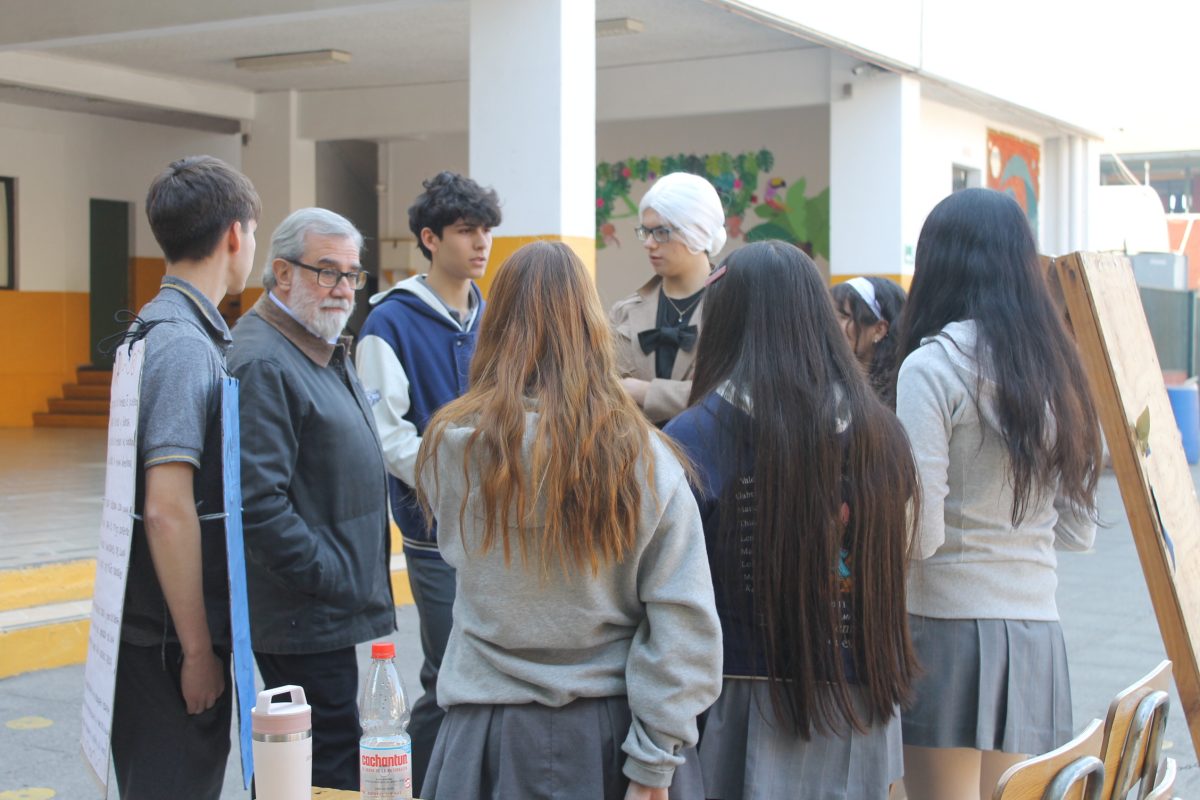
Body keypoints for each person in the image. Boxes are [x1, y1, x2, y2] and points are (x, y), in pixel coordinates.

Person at [415, 241, 722, 800]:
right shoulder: (643, 458)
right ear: (592, 328)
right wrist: (655, 764)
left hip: (484, 738)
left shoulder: (451, 449)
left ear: (496, 325)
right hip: (612, 733)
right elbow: (685, 626)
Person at [665, 241, 919, 800]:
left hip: (735, 705)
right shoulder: (882, 433)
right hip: (860, 704)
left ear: (725, 320)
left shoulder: (695, 440)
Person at [894, 188, 1102, 800]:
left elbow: (920, 533)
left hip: (944, 629)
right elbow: (1078, 529)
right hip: (1038, 631)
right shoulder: (1057, 366)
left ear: (938, 263)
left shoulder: (932, 367)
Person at [227, 208, 396, 790]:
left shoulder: (311, 343)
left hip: (321, 607)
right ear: (281, 273)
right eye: (326, 272)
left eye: (353, 274)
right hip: (304, 611)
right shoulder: (266, 360)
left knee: (314, 759)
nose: (344, 289)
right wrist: (332, 575)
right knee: (315, 767)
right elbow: (258, 503)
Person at [110, 155, 259, 799]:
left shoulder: (159, 326)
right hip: (168, 644)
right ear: (235, 235)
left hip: (153, 629)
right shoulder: (183, 344)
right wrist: (198, 652)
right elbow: (167, 507)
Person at [355, 171, 502, 792]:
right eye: (467, 231)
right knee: (448, 673)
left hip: (500, 523)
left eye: (486, 231)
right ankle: (410, 782)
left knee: (489, 667)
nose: (482, 244)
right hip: (435, 528)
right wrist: (460, 482)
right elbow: (388, 437)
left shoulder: (492, 316)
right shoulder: (389, 324)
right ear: (429, 238)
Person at [610, 172, 727, 424]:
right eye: (645, 231)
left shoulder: (733, 308)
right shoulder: (624, 312)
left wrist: (642, 391)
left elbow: (726, 395)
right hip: (636, 458)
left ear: (696, 231)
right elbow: (600, 389)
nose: (649, 243)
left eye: (661, 232)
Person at [831, 275, 906, 405]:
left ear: (879, 330)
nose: (832, 324)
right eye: (831, 315)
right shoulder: (827, 387)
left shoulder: (902, 394)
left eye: (843, 316)